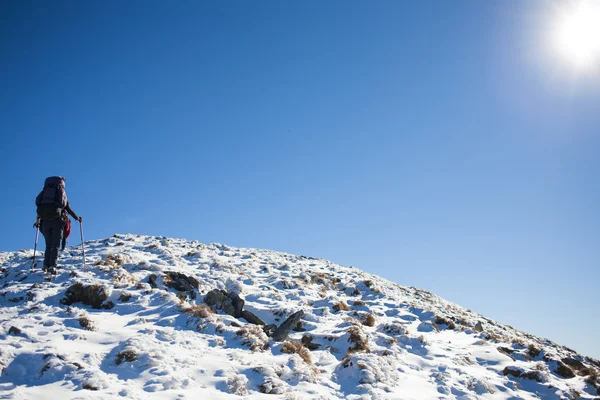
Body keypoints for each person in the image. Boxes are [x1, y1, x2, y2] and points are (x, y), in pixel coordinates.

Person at [34, 176, 82, 274]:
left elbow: (39, 208)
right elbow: (68, 209)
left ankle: (45, 265)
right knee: (55, 245)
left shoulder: (45, 196)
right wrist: (77, 218)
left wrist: (38, 221)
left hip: (44, 222)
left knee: (48, 245)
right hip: (57, 222)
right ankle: (53, 266)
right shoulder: (61, 196)